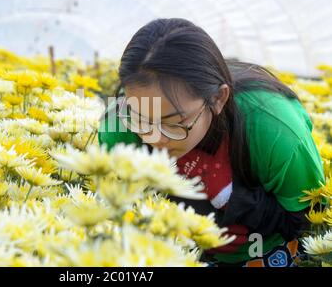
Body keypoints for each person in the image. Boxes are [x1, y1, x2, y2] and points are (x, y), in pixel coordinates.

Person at [98, 18, 325, 267]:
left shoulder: (273, 128)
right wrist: (190, 227)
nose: (156, 138)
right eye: (141, 119)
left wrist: (245, 213)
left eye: (173, 122)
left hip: (272, 248)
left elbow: (309, 219)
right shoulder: (119, 126)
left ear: (218, 98)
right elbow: (115, 214)